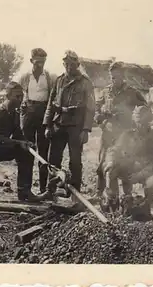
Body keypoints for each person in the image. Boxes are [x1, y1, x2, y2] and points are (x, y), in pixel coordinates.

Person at [43, 50, 95, 204]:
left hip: (76, 127)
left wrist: (86, 130)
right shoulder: (59, 80)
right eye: (66, 64)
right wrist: (47, 124)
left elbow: (91, 108)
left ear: (77, 65)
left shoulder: (85, 82)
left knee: (75, 161)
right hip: (58, 124)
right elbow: (50, 103)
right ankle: (50, 190)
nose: (69, 67)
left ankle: (75, 194)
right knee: (53, 159)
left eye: (72, 64)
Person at [92, 61, 147, 202]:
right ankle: (102, 193)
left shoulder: (132, 92)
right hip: (108, 133)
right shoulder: (106, 91)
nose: (113, 79)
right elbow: (96, 108)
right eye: (111, 77)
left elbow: (145, 108)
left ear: (123, 76)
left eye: (116, 76)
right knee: (103, 162)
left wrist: (138, 120)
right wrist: (101, 120)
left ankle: (126, 195)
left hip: (125, 134)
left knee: (125, 164)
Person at [101, 105, 153, 212]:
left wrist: (139, 176)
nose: (140, 125)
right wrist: (110, 161)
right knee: (111, 170)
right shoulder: (127, 134)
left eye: (143, 122)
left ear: (148, 122)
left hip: (149, 171)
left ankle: (147, 196)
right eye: (137, 122)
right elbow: (113, 150)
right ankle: (114, 199)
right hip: (131, 167)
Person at [18, 48, 54, 194]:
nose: (40, 65)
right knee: (27, 151)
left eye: (43, 62)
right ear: (31, 61)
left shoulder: (50, 77)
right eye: (38, 62)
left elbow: (52, 97)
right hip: (28, 114)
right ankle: (25, 188)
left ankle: (43, 188)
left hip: (43, 114)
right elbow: (19, 96)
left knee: (44, 152)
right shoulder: (25, 77)